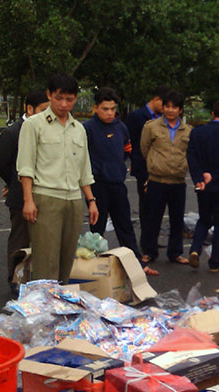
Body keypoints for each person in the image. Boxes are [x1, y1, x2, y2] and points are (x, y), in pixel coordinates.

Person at [17, 73, 99, 284]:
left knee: (65, 263)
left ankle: (59, 307)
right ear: (49, 95)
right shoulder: (34, 125)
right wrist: (28, 200)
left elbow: (84, 169)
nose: (64, 104)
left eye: (69, 99)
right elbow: (26, 166)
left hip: (73, 201)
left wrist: (91, 201)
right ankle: (44, 311)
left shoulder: (78, 129)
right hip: (45, 198)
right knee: (46, 263)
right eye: (58, 98)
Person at [83, 87, 158, 276]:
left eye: (112, 109)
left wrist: (115, 168)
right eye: (105, 109)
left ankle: (137, 265)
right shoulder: (86, 129)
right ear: (95, 108)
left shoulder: (121, 127)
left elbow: (127, 150)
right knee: (97, 230)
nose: (109, 113)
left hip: (117, 184)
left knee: (125, 226)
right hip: (97, 186)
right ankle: (92, 269)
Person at [0, 90, 49, 294]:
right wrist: (13, 183)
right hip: (20, 198)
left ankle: (37, 280)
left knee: (43, 241)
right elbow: (0, 163)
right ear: (29, 109)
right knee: (20, 240)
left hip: (45, 195)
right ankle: (16, 280)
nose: (46, 114)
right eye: (43, 110)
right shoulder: (13, 133)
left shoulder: (47, 130)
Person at [140, 90, 192, 265]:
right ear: (162, 107)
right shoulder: (151, 127)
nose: (170, 110)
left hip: (178, 181)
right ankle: (149, 251)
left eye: (174, 107)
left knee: (177, 219)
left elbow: (190, 154)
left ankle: (175, 252)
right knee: (152, 218)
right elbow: (144, 149)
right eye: (167, 106)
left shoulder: (188, 131)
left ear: (180, 110)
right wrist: (156, 164)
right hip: (157, 180)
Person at [187, 100, 219, 272]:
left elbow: (191, 157)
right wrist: (214, 175)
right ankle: (214, 262)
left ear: (212, 114)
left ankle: (195, 248)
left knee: (204, 219)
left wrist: (199, 177)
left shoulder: (197, 132)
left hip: (203, 186)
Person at [125, 85, 168, 236]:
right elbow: (130, 142)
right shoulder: (137, 116)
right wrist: (136, 162)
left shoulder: (163, 119)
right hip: (143, 168)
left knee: (159, 206)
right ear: (156, 99)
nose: (166, 109)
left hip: (161, 169)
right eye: (164, 105)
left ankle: (153, 237)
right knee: (146, 205)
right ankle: (146, 239)